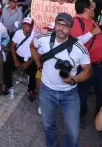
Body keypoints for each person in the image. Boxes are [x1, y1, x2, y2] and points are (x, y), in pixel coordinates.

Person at [31, 13, 92, 147]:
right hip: (47, 91)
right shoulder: (43, 38)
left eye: (65, 26)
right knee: (48, 125)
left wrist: (74, 79)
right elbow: (33, 47)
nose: (60, 28)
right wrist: (39, 65)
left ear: (71, 28)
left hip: (69, 94)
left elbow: (88, 71)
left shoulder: (80, 48)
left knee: (73, 133)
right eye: (58, 24)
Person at [72, 0, 102, 128]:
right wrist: (91, 33)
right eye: (92, 8)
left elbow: (98, 37)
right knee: (81, 94)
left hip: (101, 65)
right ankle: (80, 115)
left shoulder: (92, 21)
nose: (94, 10)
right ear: (86, 9)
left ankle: (99, 116)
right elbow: (74, 43)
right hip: (86, 67)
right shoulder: (75, 22)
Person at [3, 16, 38, 101]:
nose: (25, 26)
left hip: (30, 58)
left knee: (34, 71)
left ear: (32, 26)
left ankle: (31, 90)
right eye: (24, 24)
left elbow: (38, 53)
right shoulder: (18, 33)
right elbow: (12, 47)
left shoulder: (36, 35)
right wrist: (15, 60)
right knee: (6, 66)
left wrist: (28, 63)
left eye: (27, 25)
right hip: (18, 56)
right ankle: (8, 85)